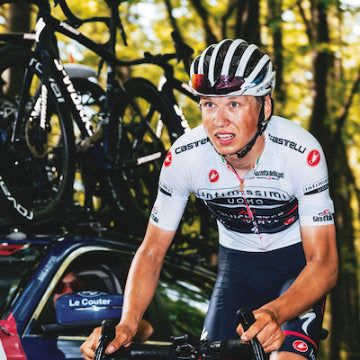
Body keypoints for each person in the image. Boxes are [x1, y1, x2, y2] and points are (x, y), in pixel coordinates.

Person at [81, 39, 338, 360]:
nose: (218, 119)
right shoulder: (185, 158)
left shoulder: (301, 152)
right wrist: (127, 324)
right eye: (208, 104)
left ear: (265, 107)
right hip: (235, 267)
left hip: (296, 268)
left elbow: (324, 263)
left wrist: (275, 312)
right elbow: (151, 251)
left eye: (234, 104)